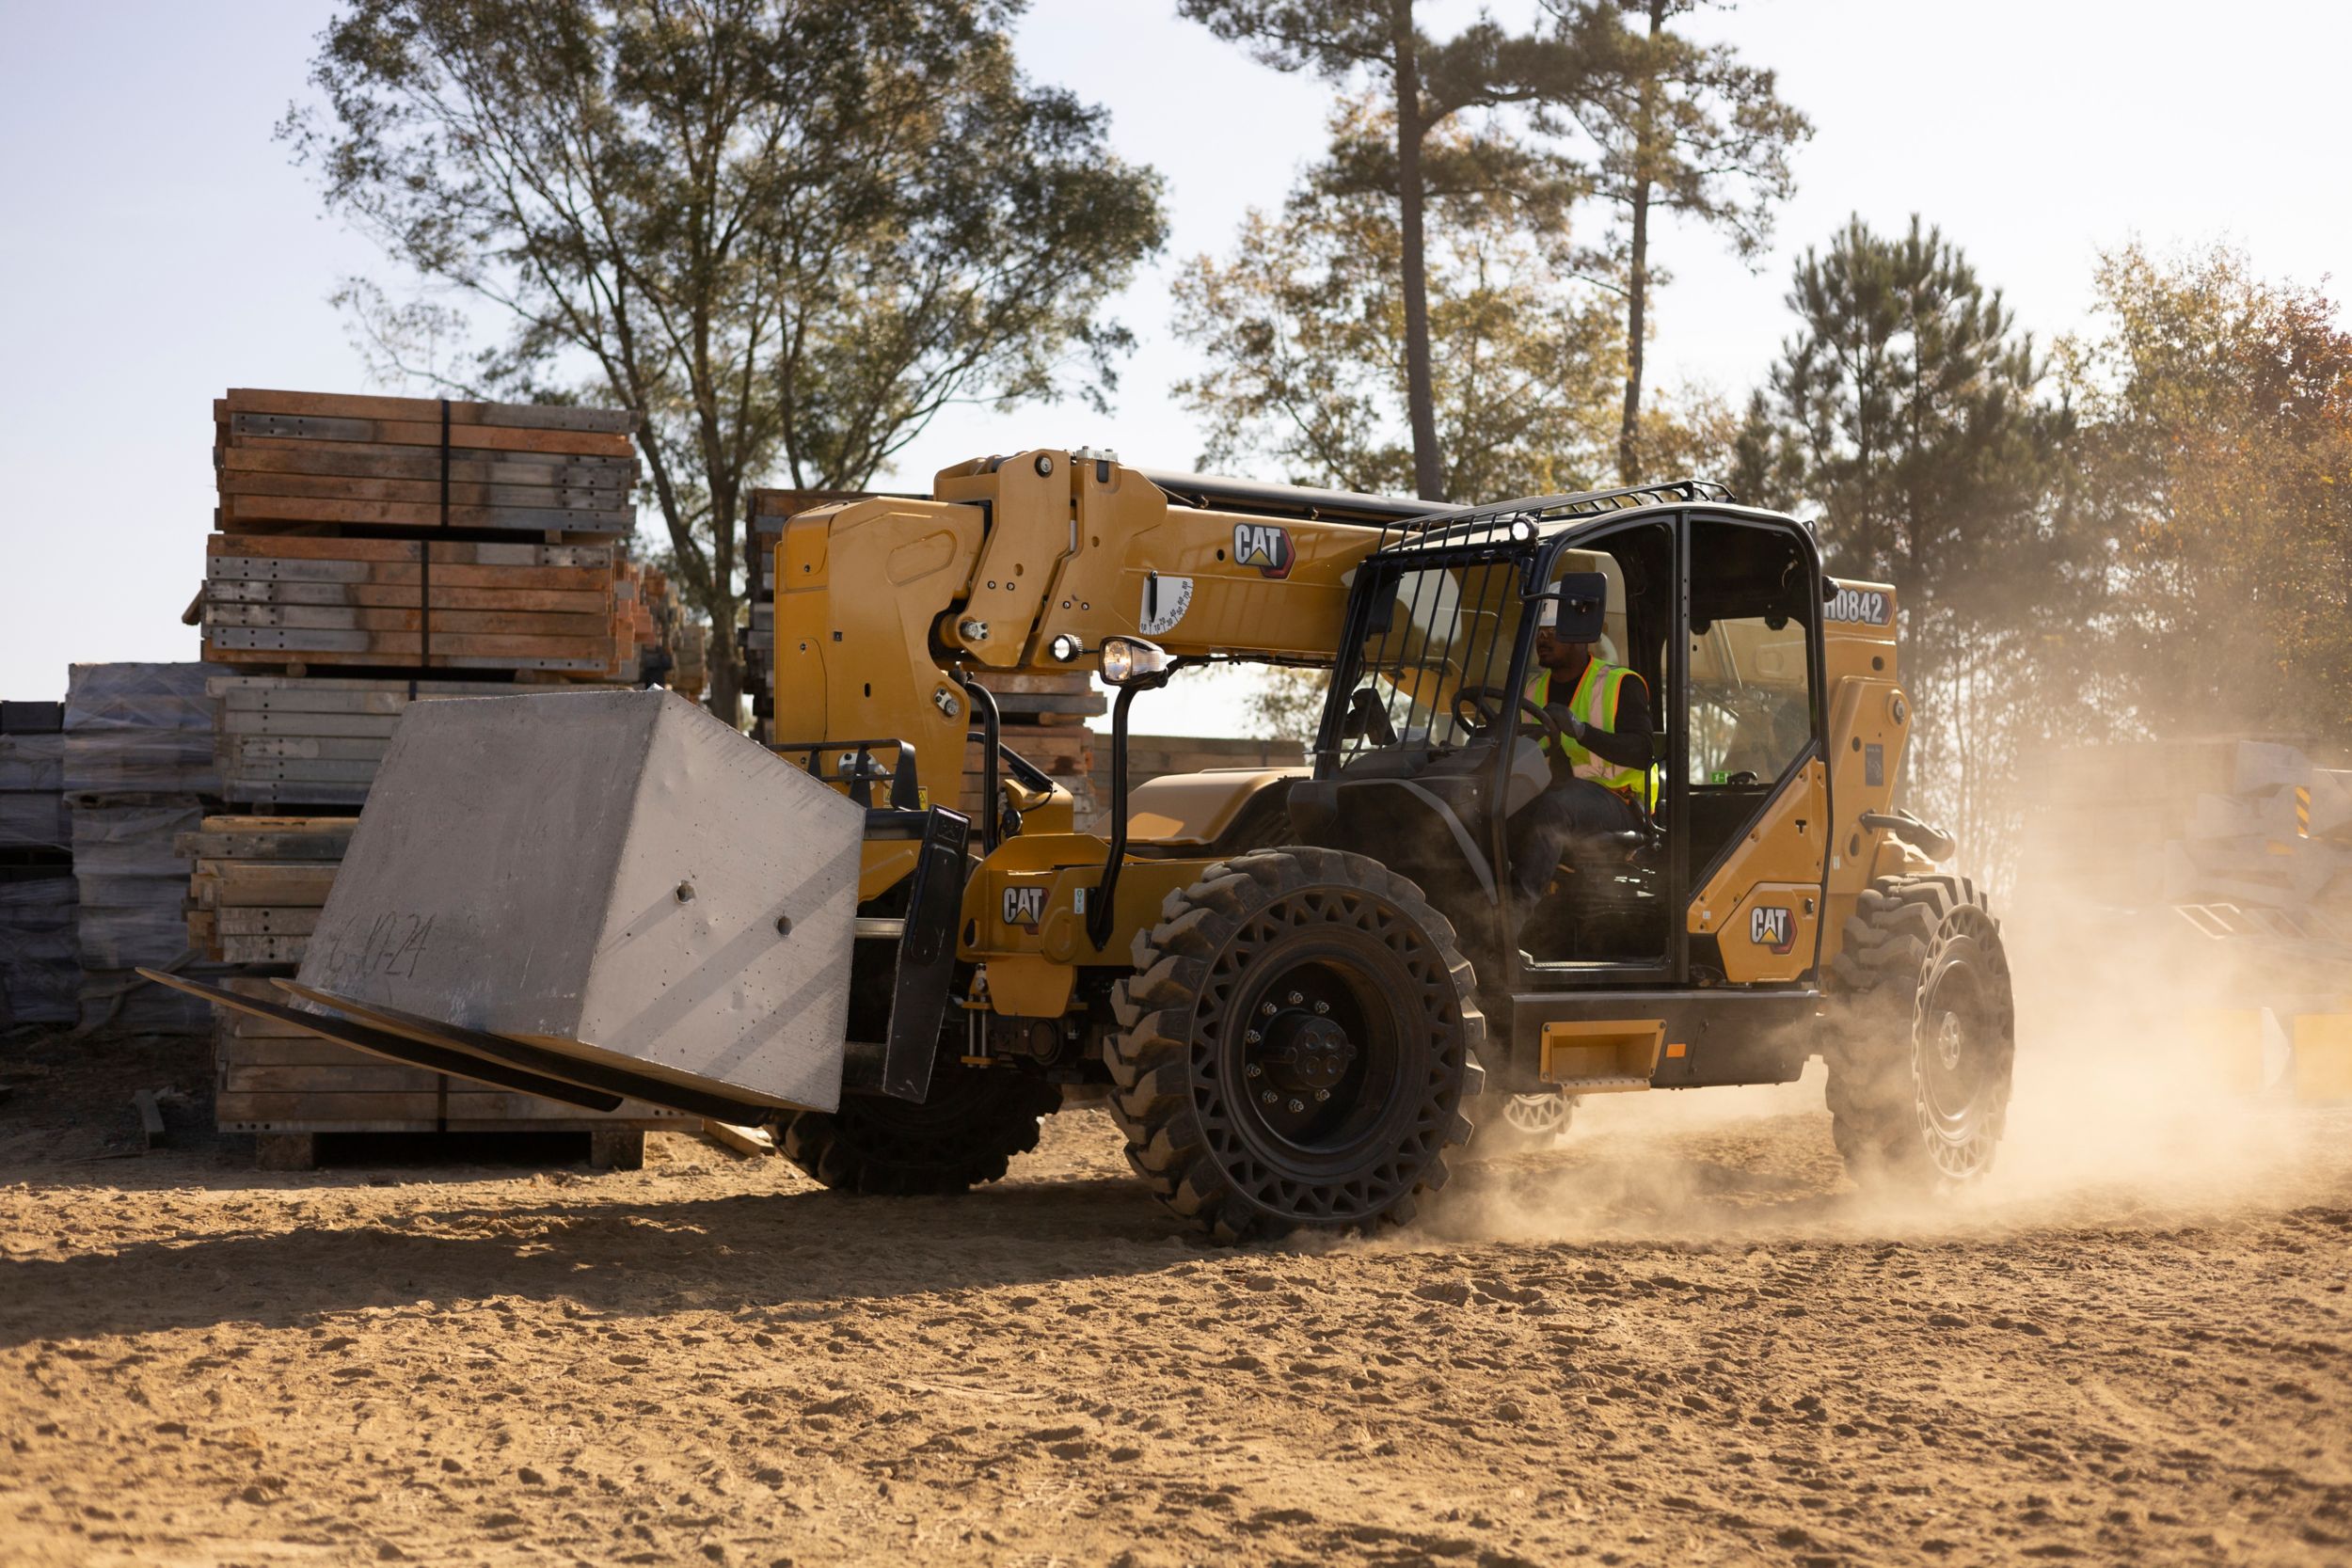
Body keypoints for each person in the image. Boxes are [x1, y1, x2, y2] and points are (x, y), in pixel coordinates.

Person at [1507, 597, 1659, 906]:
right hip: (1562, 794)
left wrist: (1581, 731)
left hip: (1620, 800)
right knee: (1491, 808)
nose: (1543, 638)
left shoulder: (1620, 684)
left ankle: (1513, 917)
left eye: (1552, 629)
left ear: (1580, 634)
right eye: (1539, 631)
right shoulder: (1533, 690)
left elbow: (1642, 752)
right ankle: (1477, 906)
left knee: (1554, 808)